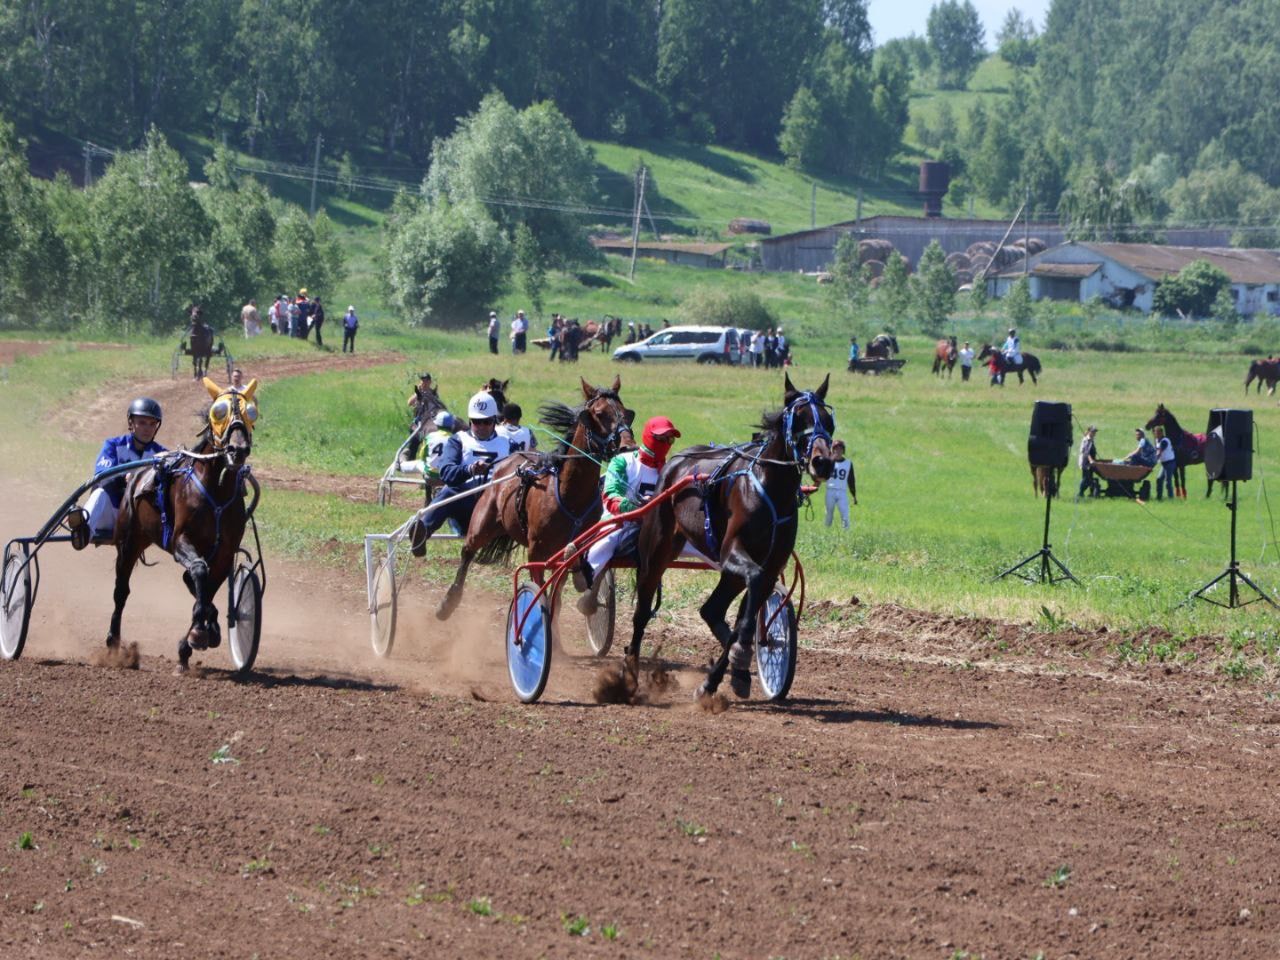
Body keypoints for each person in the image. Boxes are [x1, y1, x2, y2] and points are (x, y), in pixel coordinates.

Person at [575, 416, 682, 613]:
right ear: (649, 437)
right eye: (662, 438)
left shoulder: (670, 469)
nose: (666, 444)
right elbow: (611, 495)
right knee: (607, 541)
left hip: (656, 528)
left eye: (670, 440)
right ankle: (586, 573)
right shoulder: (622, 461)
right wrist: (633, 508)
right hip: (620, 522)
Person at [409, 392, 512, 557]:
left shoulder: (507, 443)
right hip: (468, 505)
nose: (482, 426)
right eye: (477, 422)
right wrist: (470, 470)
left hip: (499, 506)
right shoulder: (458, 440)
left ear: (495, 421)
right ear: (470, 421)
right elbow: (447, 473)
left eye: (486, 421)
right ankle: (422, 533)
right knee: (449, 491)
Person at [69, 398, 167, 548]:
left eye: (152, 424)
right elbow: (102, 475)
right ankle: (83, 532)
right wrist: (124, 478)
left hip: (140, 522)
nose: (147, 428)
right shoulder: (113, 445)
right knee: (99, 493)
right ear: (131, 423)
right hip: (112, 515)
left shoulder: (162, 454)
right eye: (142, 422)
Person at [824, 440, 855, 529]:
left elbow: (851, 480)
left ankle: (846, 531)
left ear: (843, 450)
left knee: (845, 513)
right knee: (829, 513)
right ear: (832, 450)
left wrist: (854, 495)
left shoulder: (848, 463)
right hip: (830, 490)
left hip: (842, 491)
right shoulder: (829, 462)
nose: (838, 451)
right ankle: (827, 530)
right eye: (836, 449)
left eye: (840, 449)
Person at [1153, 425, 1177, 501]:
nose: (1155, 434)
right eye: (1154, 432)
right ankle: (1159, 498)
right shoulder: (1157, 440)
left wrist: (1153, 462)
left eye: (1156, 433)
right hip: (1164, 464)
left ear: (1161, 433)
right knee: (1159, 479)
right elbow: (1155, 451)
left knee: (1168, 481)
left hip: (1170, 463)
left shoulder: (1164, 441)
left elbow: (1159, 452)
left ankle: (1171, 498)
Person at [1077, 425, 1100, 500]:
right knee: (1086, 478)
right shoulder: (1087, 440)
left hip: (1090, 462)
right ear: (1089, 432)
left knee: (1089, 478)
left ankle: (1088, 492)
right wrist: (1091, 460)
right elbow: (1086, 452)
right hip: (1086, 462)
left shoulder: (1091, 439)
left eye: (1095, 432)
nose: (1094, 433)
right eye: (1093, 432)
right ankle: (1080, 493)